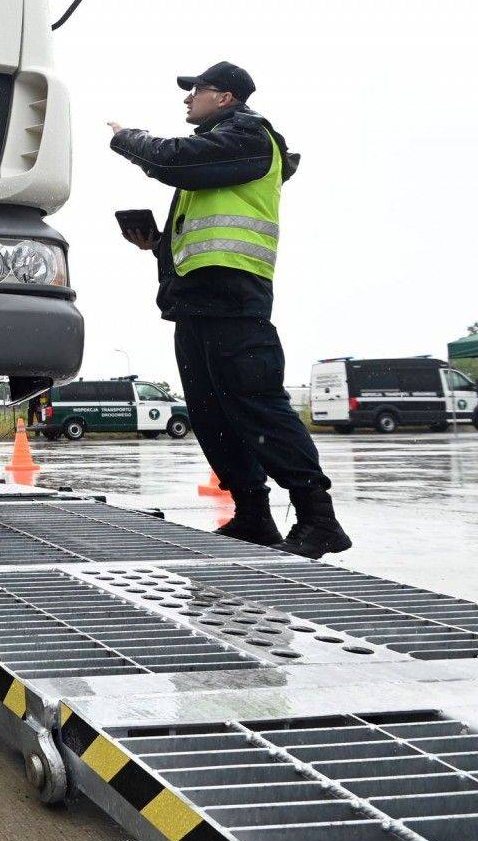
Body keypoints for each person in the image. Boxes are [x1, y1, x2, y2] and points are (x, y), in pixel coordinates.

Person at [108, 61, 351, 559]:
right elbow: (203, 235)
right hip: (197, 300)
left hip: (234, 296)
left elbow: (172, 159)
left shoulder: (248, 134)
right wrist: (155, 243)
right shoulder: (222, 150)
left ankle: (319, 519)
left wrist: (128, 137)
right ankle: (253, 516)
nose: (186, 99)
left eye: (194, 90)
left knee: (255, 403)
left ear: (224, 97)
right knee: (212, 412)